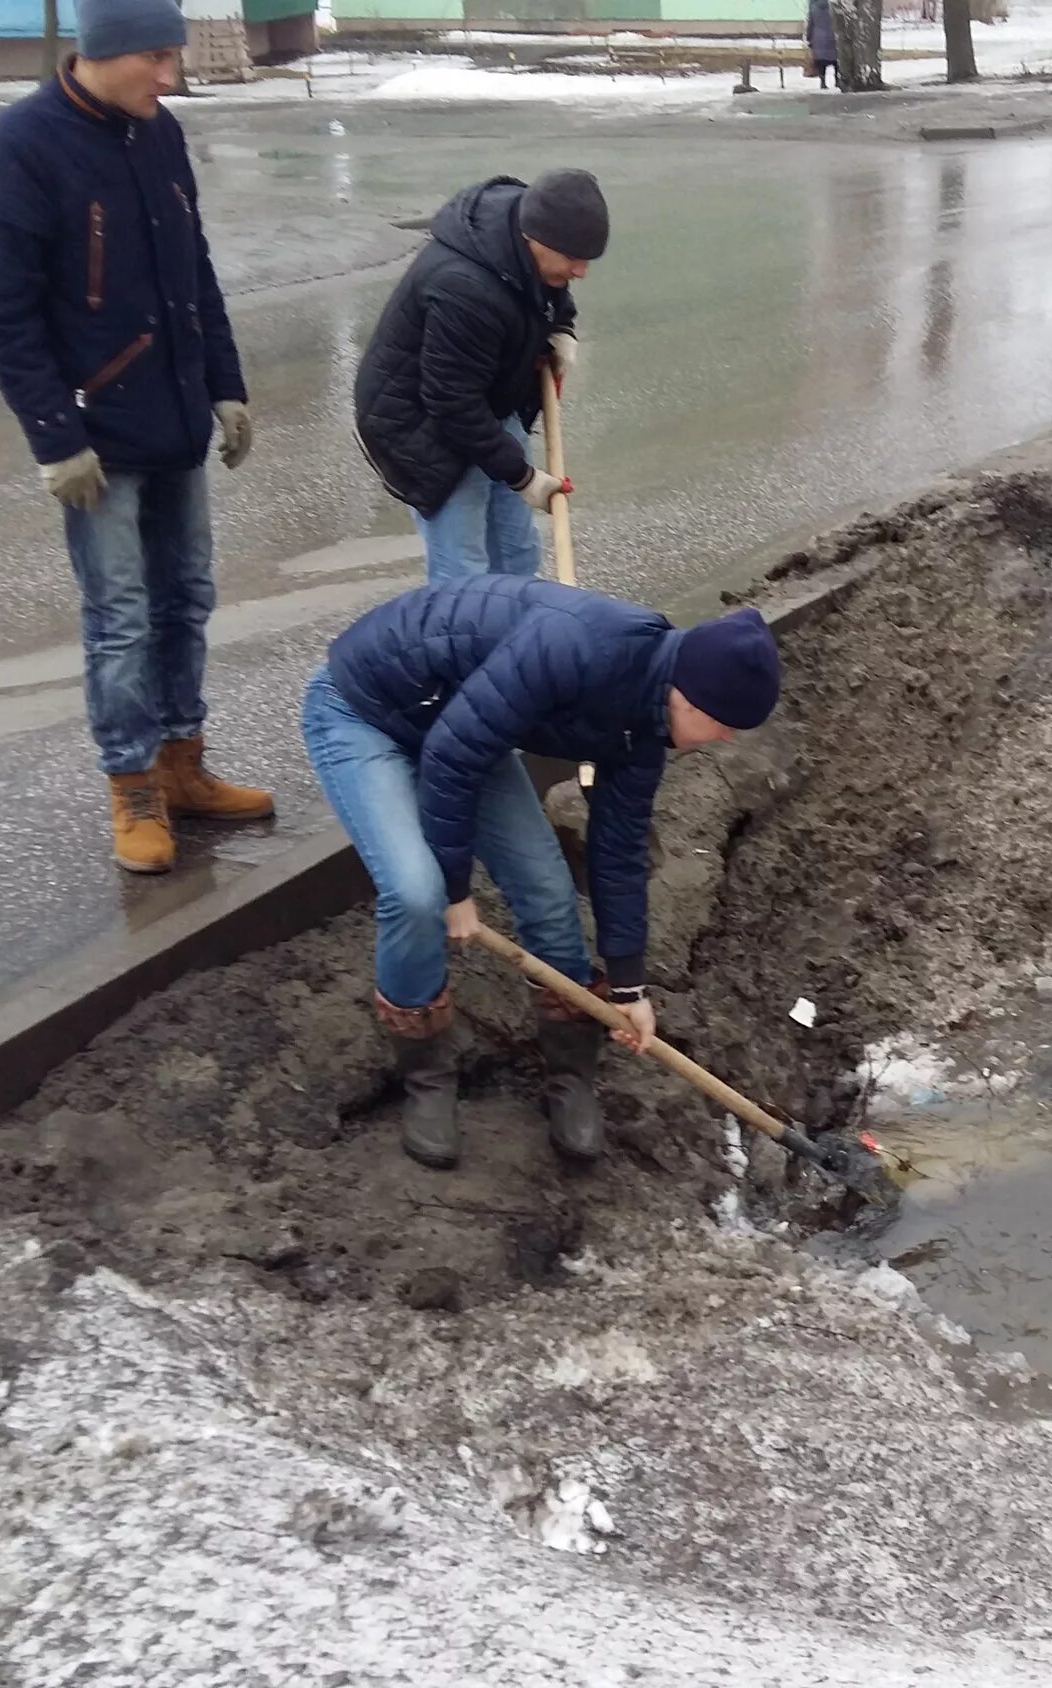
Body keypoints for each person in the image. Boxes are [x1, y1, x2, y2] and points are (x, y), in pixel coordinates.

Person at [303, 575, 781, 1170]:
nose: (728, 738)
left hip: (460, 717)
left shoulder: (646, 725)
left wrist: (629, 987)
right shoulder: (576, 648)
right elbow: (453, 759)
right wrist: (456, 890)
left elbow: (620, 847)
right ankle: (427, 1078)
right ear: (689, 695)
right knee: (416, 891)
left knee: (550, 892)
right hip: (364, 710)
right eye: (726, 724)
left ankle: (570, 1076)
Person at [0, 0, 270, 875]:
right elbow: (3, 315)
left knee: (188, 597)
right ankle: (133, 786)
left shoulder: (159, 135)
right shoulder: (25, 146)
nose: (170, 77)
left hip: (175, 415)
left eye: (172, 58)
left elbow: (195, 272)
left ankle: (185, 765)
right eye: (156, 59)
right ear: (103, 52)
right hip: (97, 435)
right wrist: (53, 437)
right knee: (121, 618)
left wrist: (226, 384)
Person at [354, 170, 608, 587]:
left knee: (516, 552)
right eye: (573, 258)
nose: (581, 271)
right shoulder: (464, 287)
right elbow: (452, 404)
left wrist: (562, 327)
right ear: (536, 239)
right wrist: (521, 477)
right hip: (422, 425)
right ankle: (468, 648)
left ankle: (515, 638)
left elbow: (548, 291)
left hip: (486, 399)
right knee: (465, 574)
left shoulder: (531, 236)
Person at [805, 0, 837, 88]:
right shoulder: (834, 6)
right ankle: (837, 80)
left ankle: (823, 82)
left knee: (821, 62)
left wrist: (808, 38)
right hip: (832, 36)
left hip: (818, 38)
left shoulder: (813, 7)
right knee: (835, 60)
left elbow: (810, 24)